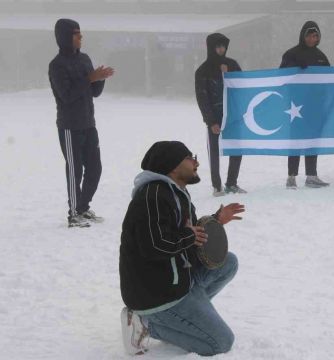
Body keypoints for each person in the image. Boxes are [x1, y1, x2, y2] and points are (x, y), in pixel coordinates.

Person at [119, 141, 245, 356]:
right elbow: (154, 246)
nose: (196, 162)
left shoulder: (175, 193)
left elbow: (186, 234)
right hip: (158, 294)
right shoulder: (153, 197)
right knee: (220, 343)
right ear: (173, 165)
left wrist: (215, 221)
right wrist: (188, 235)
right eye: (189, 157)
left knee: (228, 262)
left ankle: (190, 314)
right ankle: (148, 323)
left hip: (178, 279)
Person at [48, 19, 114, 227]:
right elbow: (66, 95)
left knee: (95, 168)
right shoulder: (56, 65)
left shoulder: (85, 59)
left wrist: (100, 78)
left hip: (88, 123)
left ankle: (83, 208)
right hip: (69, 126)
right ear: (65, 37)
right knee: (75, 170)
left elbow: (94, 92)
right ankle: (73, 214)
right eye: (76, 34)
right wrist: (89, 78)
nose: (80, 37)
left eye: (80, 33)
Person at [279, 21, 332, 189]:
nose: (312, 38)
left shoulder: (321, 56)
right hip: (296, 106)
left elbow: (330, 78)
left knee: (312, 140)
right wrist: (293, 67)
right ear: (303, 36)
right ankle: (291, 177)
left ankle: (311, 175)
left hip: (315, 106)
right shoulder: (291, 54)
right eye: (309, 35)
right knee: (296, 141)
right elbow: (280, 75)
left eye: (315, 36)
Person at [195, 33, 246, 196]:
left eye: (223, 46)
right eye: (217, 46)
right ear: (210, 47)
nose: (221, 49)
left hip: (233, 115)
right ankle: (217, 186)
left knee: (237, 149)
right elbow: (202, 98)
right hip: (215, 118)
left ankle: (232, 183)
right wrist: (211, 121)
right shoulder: (202, 71)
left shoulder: (232, 65)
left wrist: (228, 74)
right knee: (215, 152)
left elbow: (242, 88)